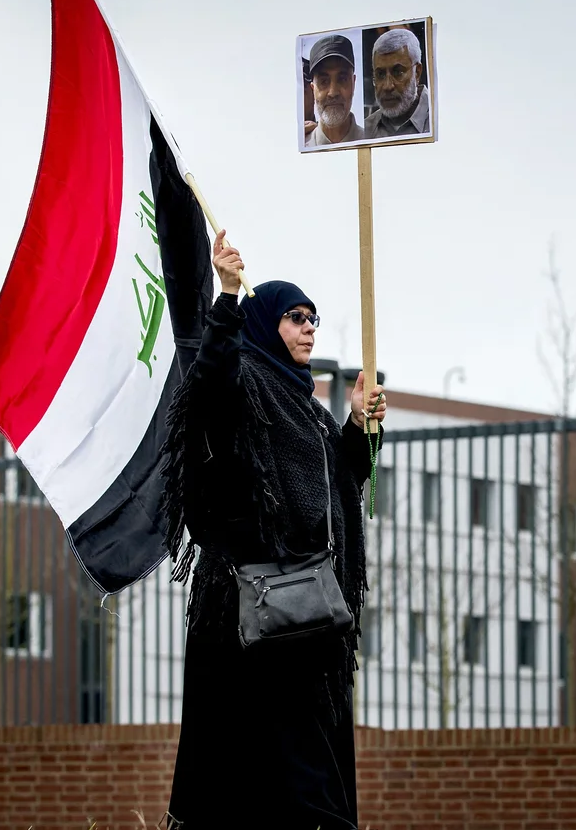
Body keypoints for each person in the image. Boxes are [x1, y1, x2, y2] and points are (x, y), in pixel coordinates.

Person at [158, 229, 387, 830]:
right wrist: (228, 296)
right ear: (266, 325)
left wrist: (357, 430)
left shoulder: (305, 406)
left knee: (298, 771)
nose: (310, 327)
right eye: (295, 316)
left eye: (314, 318)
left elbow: (336, 492)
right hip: (246, 614)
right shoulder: (243, 382)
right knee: (263, 776)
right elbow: (205, 388)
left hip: (304, 619)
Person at [363, 27, 431, 140]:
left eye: (398, 72)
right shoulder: (365, 130)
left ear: (417, 72)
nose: (387, 86)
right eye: (380, 74)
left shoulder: (440, 120)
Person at [306, 34, 366, 146]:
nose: (333, 93)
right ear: (313, 89)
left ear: (353, 84)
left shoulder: (372, 141)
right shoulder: (300, 145)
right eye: (324, 81)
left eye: (342, 79)